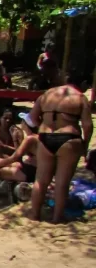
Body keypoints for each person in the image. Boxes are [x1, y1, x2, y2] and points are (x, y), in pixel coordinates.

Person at [26, 74, 93, 222]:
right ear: (81, 83)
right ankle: (57, 217)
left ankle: (35, 214)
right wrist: (84, 144)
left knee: (41, 180)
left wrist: (43, 127)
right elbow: (87, 125)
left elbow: (31, 118)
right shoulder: (80, 98)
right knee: (62, 183)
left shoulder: (47, 94)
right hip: (69, 139)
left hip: (45, 137)